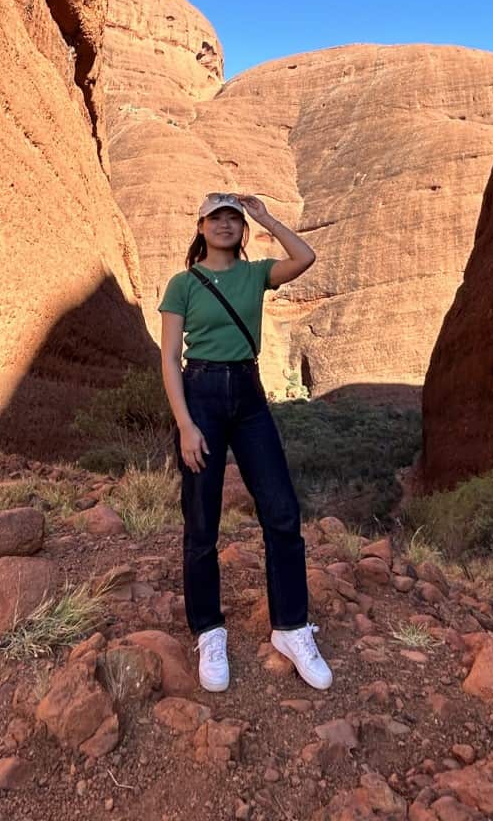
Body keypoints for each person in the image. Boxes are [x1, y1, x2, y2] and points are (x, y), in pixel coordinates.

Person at [157, 191, 332, 693]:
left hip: (249, 394)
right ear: (201, 226)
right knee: (202, 520)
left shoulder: (256, 275)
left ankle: (292, 627)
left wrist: (265, 215)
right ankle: (209, 630)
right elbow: (170, 359)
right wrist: (186, 424)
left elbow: (305, 257)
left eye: (233, 218)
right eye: (217, 218)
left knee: (281, 510)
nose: (226, 225)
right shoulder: (183, 284)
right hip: (201, 394)